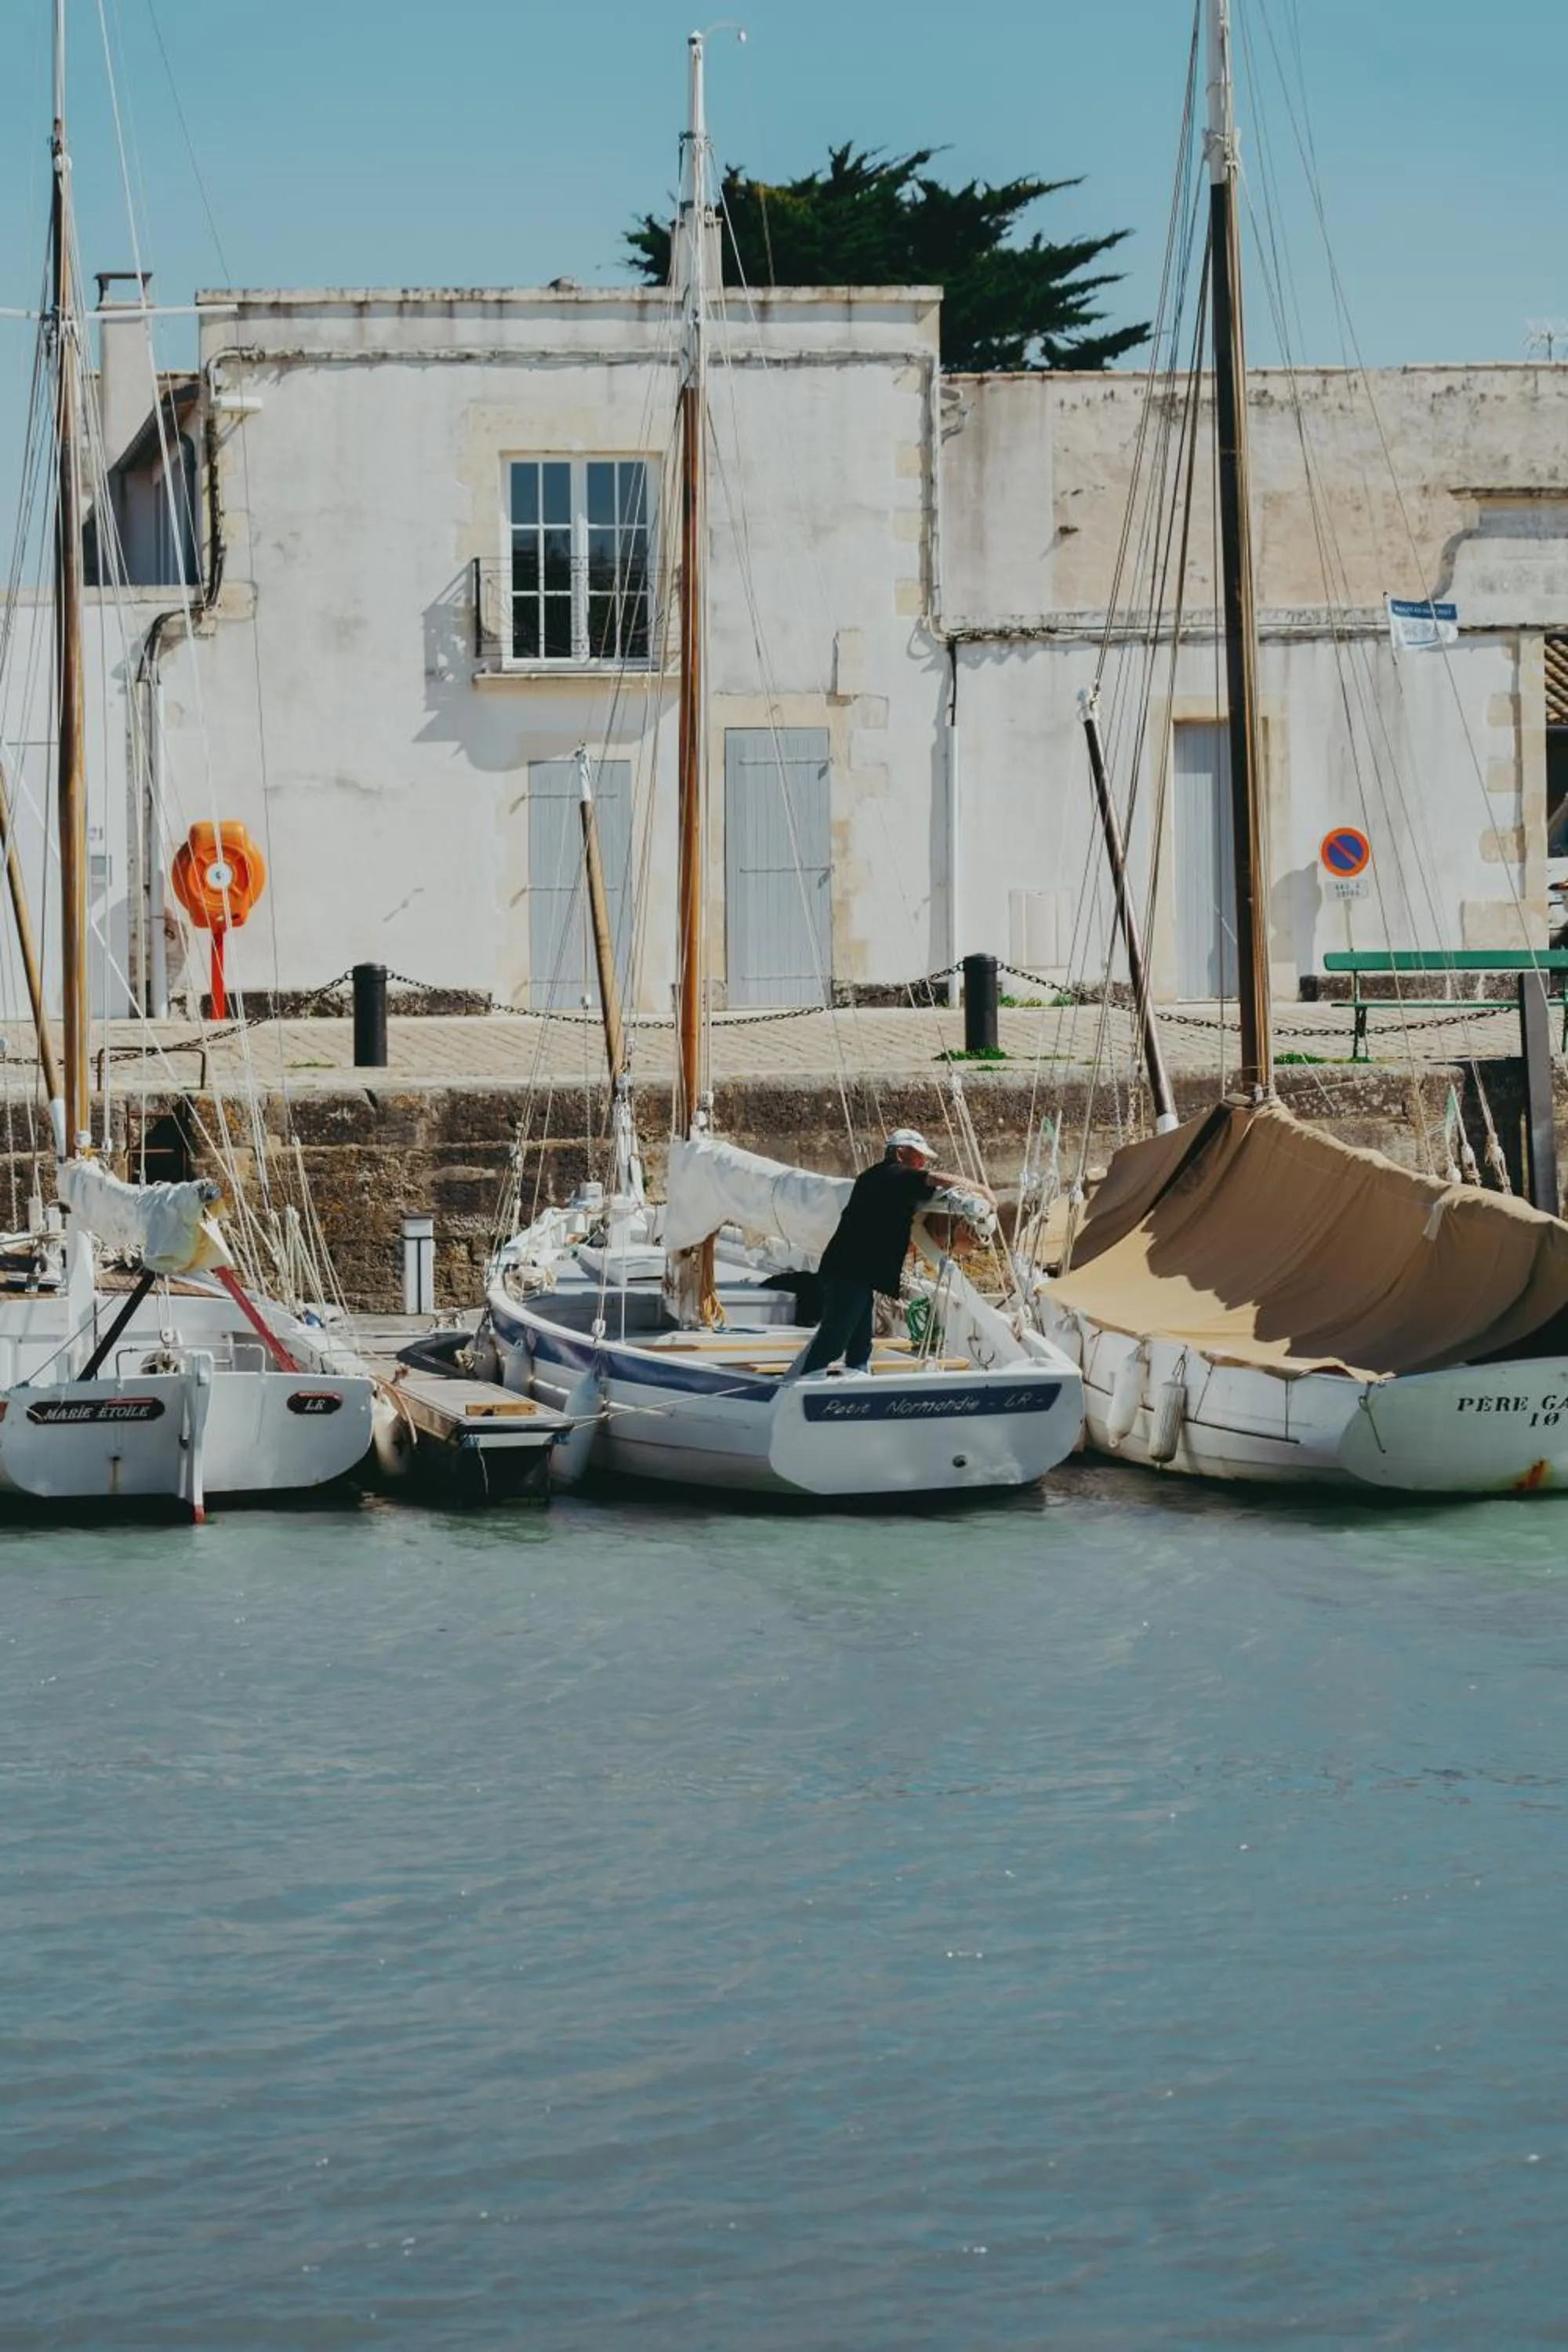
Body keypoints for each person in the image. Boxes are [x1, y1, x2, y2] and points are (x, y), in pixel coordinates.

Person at [792, 1128, 993, 1377]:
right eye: (919, 1156)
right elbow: (934, 1179)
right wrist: (980, 1189)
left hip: (854, 1273)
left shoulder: (874, 1178)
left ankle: (857, 1376)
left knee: (860, 1341)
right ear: (900, 1154)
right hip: (849, 1274)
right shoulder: (893, 1174)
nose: (922, 1163)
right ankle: (803, 1384)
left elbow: (911, 1197)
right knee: (835, 1338)